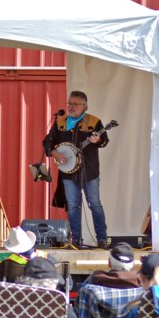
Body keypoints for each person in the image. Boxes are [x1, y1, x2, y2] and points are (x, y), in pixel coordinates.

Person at [43, 90, 109, 248]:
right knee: (73, 206)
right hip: (68, 172)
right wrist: (54, 153)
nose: (71, 107)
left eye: (75, 104)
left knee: (94, 204)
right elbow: (47, 142)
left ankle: (102, 238)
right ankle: (76, 240)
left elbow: (104, 141)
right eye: (69, 104)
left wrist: (97, 139)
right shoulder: (60, 122)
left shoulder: (94, 121)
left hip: (89, 171)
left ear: (85, 106)